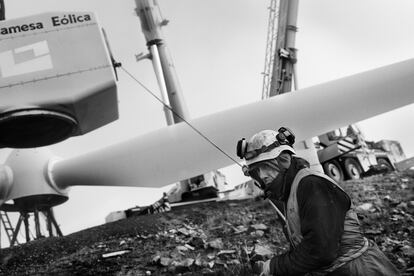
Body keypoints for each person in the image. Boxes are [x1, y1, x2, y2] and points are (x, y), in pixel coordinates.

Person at [236, 128, 400, 276]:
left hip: (359, 270)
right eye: (256, 171)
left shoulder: (311, 185)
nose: (262, 175)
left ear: (284, 160)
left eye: (266, 166)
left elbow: (320, 251)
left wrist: (272, 266)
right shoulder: (290, 191)